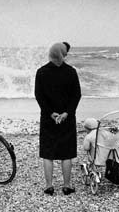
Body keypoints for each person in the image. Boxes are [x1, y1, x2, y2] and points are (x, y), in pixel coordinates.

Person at [34, 42, 81, 196]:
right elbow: (76, 95)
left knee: (48, 152)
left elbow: (39, 96)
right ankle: (67, 186)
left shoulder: (41, 72)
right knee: (66, 153)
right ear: (63, 53)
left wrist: (50, 113)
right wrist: (67, 113)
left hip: (49, 118)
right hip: (67, 118)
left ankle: (49, 186)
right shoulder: (71, 72)